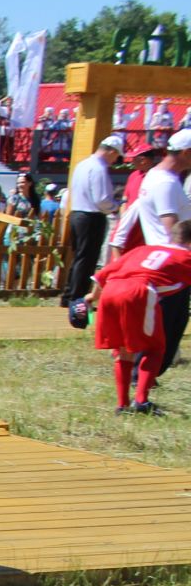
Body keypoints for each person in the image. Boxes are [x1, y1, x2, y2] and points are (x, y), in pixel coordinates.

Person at [87, 219, 191, 413]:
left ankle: (122, 404)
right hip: (140, 291)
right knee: (156, 347)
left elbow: (103, 274)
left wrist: (92, 297)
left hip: (111, 291)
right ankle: (141, 401)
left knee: (124, 349)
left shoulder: (143, 249)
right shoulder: (185, 256)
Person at [116, 130, 191, 371]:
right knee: (167, 325)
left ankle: (144, 376)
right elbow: (172, 229)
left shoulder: (156, 177)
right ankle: (142, 376)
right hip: (172, 265)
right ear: (187, 153)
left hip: (163, 262)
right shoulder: (166, 183)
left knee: (170, 322)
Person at [64, 136, 121, 305]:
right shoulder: (99, 169)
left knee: (79, 258)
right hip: (91, 216)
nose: (115, 160)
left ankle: (69, 295)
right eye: (116, 156)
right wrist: (115, 207)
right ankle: (77, 298)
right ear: (111, 151)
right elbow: (101, 199)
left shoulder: (82, 164)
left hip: (77, 213)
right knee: (87, 259)